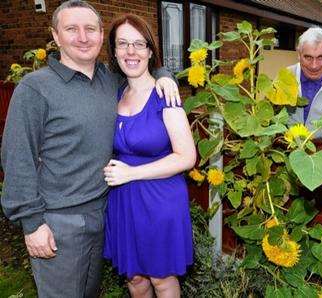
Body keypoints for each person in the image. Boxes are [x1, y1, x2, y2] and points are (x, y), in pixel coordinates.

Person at [0, 1, 179, 297]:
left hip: (105, 211)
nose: (83, 37)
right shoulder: (35, 88)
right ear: (56, 36)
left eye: (90, 29)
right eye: (72, 29)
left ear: (99, 36)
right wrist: (32, 224)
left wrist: (165, 75)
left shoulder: (110, 81)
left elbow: (141, 68)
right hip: (59, 221)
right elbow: (17, 158)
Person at [102, 14, 196, 298]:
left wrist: (131, 173)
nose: (131, 52)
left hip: (159, 199)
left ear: (150, 51)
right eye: (123, 44)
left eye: (138, 44)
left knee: (161, 279)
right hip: (123, 201)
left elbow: (186, 157)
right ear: (114, 51)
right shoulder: (114, 93)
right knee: (135, 281)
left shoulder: (164, 95)